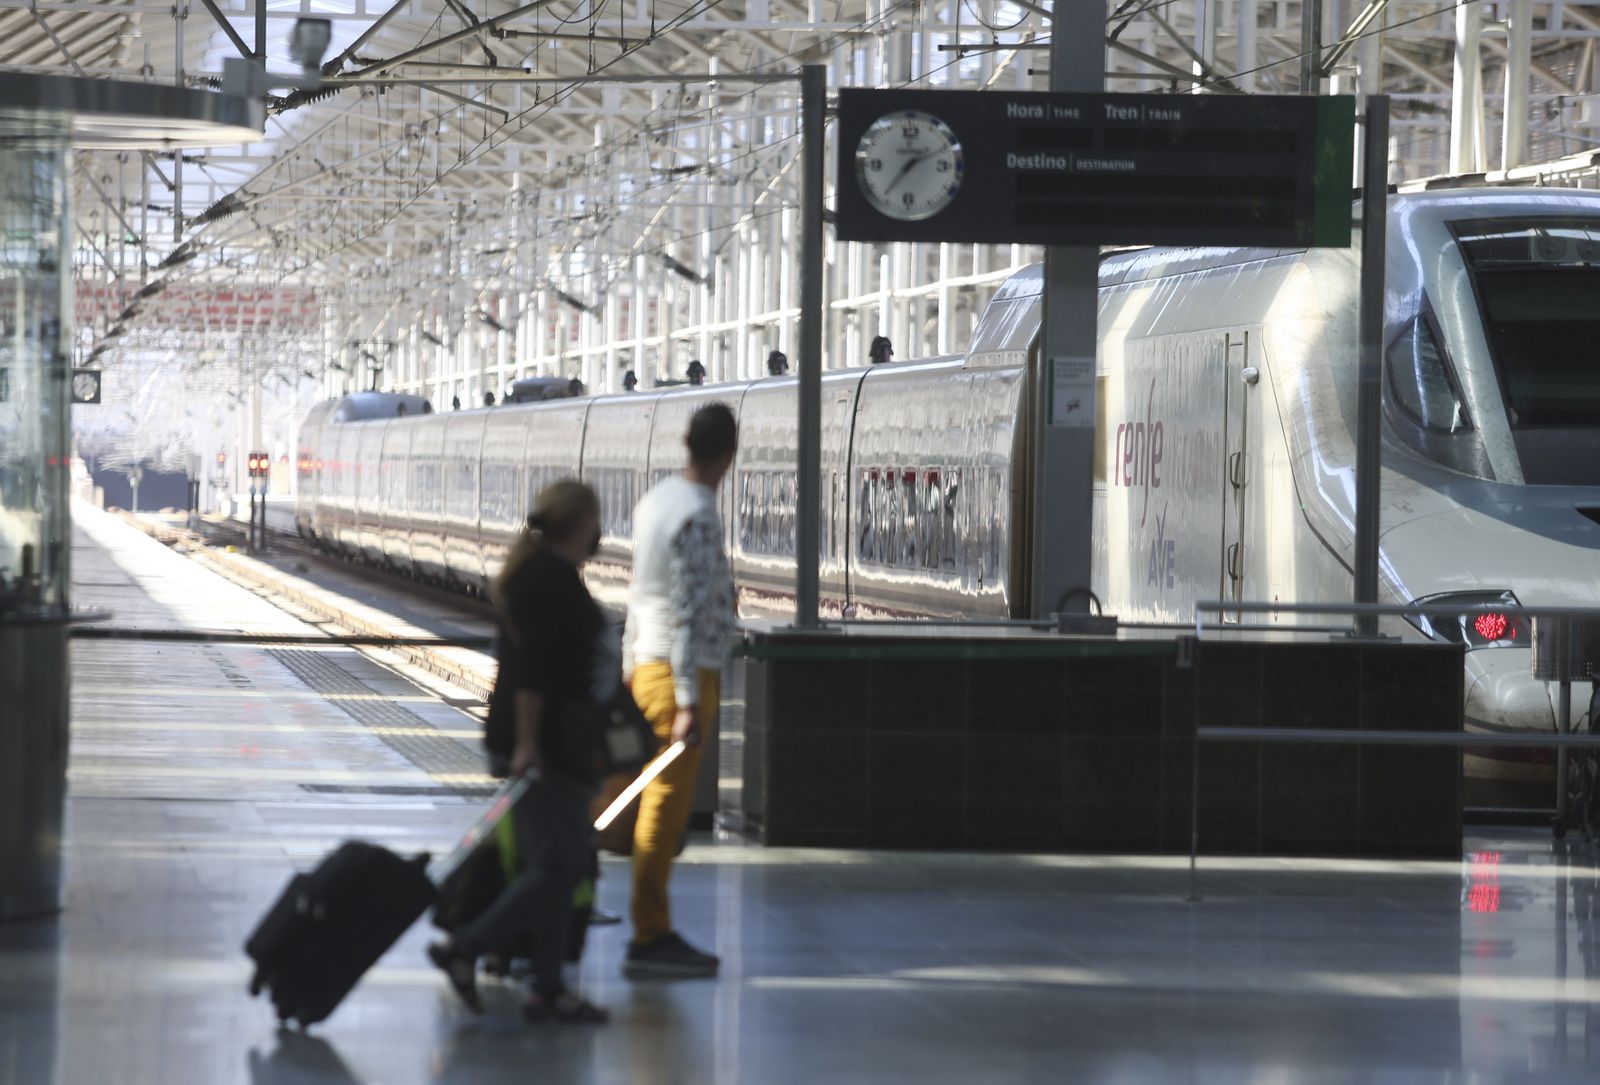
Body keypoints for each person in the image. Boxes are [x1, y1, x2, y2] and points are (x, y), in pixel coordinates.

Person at [428, 480, 611, 1024]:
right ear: (582, 524)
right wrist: (529, 744)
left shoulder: (539, 575)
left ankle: (548, 987)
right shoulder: (550, 582)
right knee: (562, 866)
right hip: (546, 745)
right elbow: (534, 673)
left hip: (546, 740)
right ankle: (467, 946)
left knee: (554, 866)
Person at [620, 403, 738, 978]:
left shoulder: (655, 502)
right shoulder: (698, 515)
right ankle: (650, 933)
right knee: (665, 807)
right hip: (679, 676)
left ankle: (651, 925)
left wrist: (629, 664)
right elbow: (690, 610)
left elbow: (639, 594)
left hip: (648, 665)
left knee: (655, 801)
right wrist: (690, 697)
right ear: (728, 455)